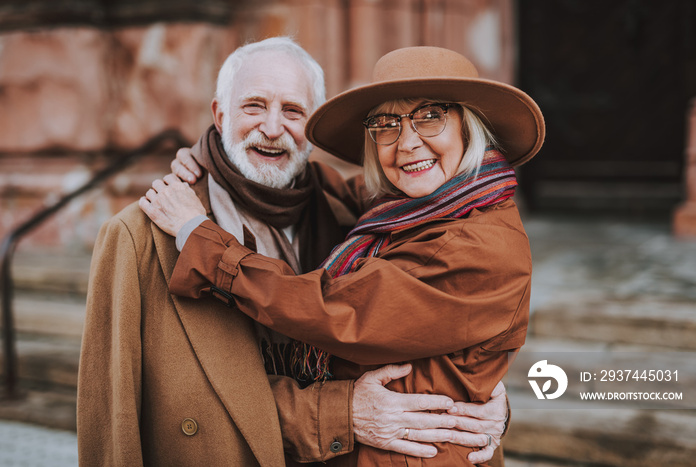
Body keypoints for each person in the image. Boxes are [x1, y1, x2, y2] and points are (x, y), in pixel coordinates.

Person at [79, 38, 508, 466]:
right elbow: (115, 423)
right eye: (252, 106)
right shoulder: (140, 235)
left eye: (292, 111)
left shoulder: (359, 217)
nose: (270, 127)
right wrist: (342, 414)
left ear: (311, 131)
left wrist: (485, 396)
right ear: (219, 115)